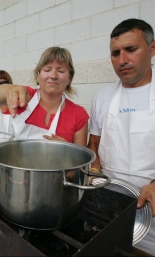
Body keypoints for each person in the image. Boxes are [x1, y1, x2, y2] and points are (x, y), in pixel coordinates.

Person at [87, 18, 155, 255]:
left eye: (131, 49)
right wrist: (93, 173)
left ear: (152, 49)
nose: (122, 60)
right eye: (115, 53)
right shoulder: (102, 97)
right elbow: (94, 144)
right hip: (110, 206)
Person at [0, 47, 89, 146]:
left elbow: (80, 159)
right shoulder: (26, 96)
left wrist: (68, 150)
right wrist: (9, 89)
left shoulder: (78, 114)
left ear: (70, 78)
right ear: (38, 75)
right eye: (47, 70)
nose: (53, 76)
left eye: (61, 71)